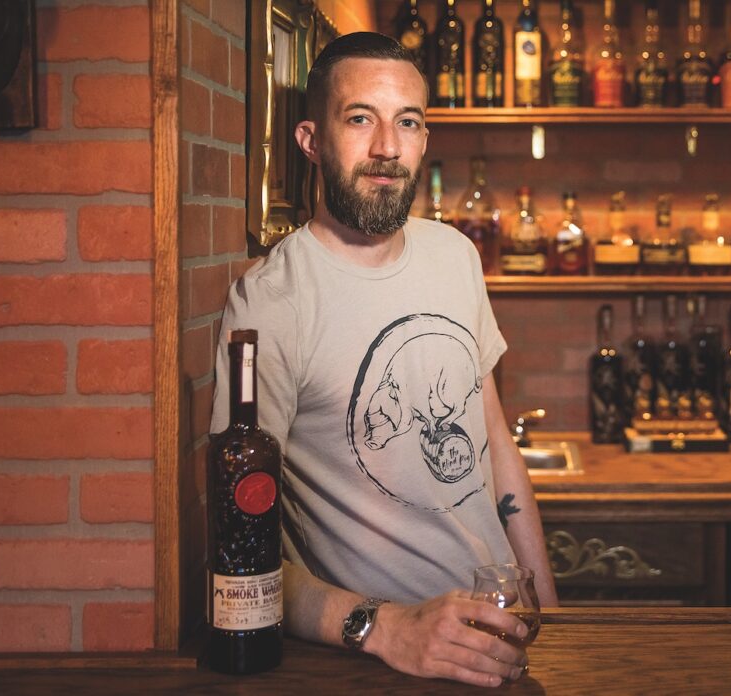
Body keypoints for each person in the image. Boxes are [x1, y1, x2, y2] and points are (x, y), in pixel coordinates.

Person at [210, 32, 558, 687]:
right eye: (360, 119)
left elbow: (497, 445)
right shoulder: (271, 303)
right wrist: (380, 628)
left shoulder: (454, 256)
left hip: (496, 638)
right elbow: (236, 550)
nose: (386, 148)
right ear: (311, 140)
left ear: (425, 139)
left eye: (408, 123)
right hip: (377, 663)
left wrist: (547, 604)